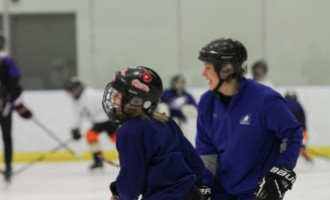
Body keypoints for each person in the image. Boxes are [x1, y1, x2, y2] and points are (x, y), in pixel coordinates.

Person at [196, 37, 303, 200]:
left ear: (226, 68)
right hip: (220, 192)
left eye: (208, 68)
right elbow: (206, 150)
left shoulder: (265, 100)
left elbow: (291, 134)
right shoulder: (206, 103)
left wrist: (282, 169)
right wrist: (204, 183)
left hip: (257, 193)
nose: (203, 74)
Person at [102, 66, 205, 200]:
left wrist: (122, 195)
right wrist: (204, 185)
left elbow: (133, 178)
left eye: (119, 94)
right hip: (192, 194)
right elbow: (194, 162)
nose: (114, 97)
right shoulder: (166, 122)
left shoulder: (129, 131)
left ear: (136, 101)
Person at [64, 77, 118, 170]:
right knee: (90, 135)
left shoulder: (91, 95)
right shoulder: (77, 99)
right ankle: (98, 160)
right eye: (69, 91)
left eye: (72, 91)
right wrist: (76, 128)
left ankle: (133, 156)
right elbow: (78, 115)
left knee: (118, 141)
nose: (70, 94)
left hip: (108, 121)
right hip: (98, 123)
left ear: (78, 88)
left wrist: (115, 119)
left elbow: (107, 105)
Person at [0, 35, 33, 182]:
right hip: (5, 105)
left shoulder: (7, 61)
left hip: (5, 106)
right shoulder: (8, 61)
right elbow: (17, 86)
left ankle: (8, 168)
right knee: (7, 137)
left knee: (7, 137)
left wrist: (18, 104)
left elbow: (16, 86)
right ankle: (8, 168)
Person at [284, 90, 313, 162]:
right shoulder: (299, 105)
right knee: (299, 141)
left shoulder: (283, 103)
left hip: (285, 127)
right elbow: (303, 119)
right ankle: (303, 150)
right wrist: (304, 132)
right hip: (298, 127)